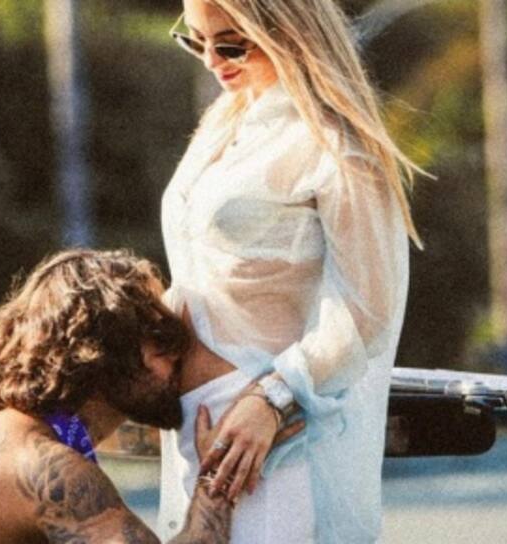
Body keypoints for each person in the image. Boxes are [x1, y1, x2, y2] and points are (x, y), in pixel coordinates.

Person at [157, 1, 421, 542]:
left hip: (274, 439)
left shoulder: (336, 145)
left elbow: (368, 312)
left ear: (286, 29)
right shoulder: (223, 124)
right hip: (195, 429)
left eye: (231, 44)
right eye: (195, 40)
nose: (211, 61)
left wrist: (274, 398)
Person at [0, 249, 300, 544]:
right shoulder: (44, 468)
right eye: (159, 337)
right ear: (103, 353)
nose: (178, 352)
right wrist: (218, 476)